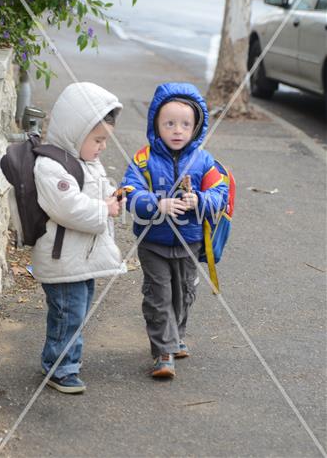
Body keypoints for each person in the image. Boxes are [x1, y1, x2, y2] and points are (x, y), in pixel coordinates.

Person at [122, 82, 228, 378]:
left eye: (185, 124)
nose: (177, 130)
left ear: (196, 127)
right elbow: (130, 191)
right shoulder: (144, 159)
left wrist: (200, 200)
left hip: (190, 241)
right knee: (159, 295)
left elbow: (221, 194)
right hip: (153, 241)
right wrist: (158, 203)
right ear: (156, 122)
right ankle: (163, 352)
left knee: (183, 293)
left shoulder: (204, 161)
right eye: (169, 123)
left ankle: (176, 335)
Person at [32, 82, 126, 393]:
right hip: (63, 258)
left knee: (77, 310)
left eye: (105, 141)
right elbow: (68, 208)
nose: (102, 147)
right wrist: (104, 208)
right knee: (67, 313)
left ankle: (66, 359)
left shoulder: (88, 162)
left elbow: (92, 194)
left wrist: (111, 198)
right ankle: (59, 368)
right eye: (97, 139)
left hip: (79, 257)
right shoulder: (50, 166)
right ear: (75, 132)